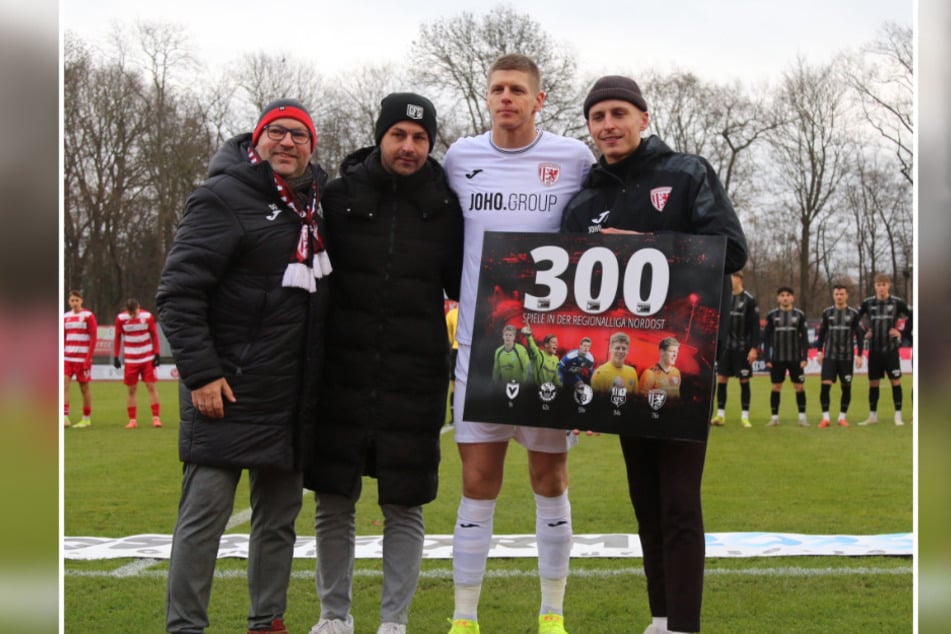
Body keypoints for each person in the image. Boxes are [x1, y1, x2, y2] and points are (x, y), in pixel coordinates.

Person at [561, 75, 747, 634]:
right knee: (644, 499)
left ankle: (684, 625)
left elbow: (732, 249)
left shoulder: (687, 173)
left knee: (679, 501)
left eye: (619, 113)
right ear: (589, 127)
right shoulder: (584, 200)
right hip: (621, 369)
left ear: (643, 118)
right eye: (598, 117)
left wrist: (646, 247)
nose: (609, 125)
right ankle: (662, 618)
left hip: (682, 364)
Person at [156, 98, 329, 634]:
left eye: (298, 136)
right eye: (275, 132)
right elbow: (178, 294)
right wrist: (202, 373)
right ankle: (185, 626)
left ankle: (266, 621)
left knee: (278, 522)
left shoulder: (317, 205)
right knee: (203, 519)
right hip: (224, 390)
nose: (286, 143)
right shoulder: (221, 196)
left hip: (288, 394)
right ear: (256, 141)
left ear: (311, 147)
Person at [442, 53, 596, 634]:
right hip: (481, 348)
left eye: (516, 90)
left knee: (548, 480)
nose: (505, 98)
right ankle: (464, 619)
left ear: (539, 99)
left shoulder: (572, 158)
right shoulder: (461, 158)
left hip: (547, 347)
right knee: (478, 481)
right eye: (497, 89)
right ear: (487, 97)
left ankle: (551, 613)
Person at [303, 92, 463, 634]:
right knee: (333, 499)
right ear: (380, 135)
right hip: (340, 376)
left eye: (421, 138)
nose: (410, 147)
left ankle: (394, 622)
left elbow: (469, 286)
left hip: (414, 378)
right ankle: (334, 616)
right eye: (400, 134)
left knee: (405, 503)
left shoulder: (446, 206)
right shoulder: (337, 195)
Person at [856, 273, 913, 426]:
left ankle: (898, 416)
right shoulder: (868, 303)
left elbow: (912, 315)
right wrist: (864, 332)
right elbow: (855, 319)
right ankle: (872, 416)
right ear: (875, 286)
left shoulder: (897, 302)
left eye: (884, 284)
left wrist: (902, 332)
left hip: (891, 349)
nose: (881, 287)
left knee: (895, 381)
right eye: (878, 284)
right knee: (873, 383)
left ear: (888, 286)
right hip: (874, 350)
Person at [709, 271, 759, 427]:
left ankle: (745, 416)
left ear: (739, 279)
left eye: (732, 278)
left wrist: (754, 348)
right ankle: (720, 415)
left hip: (743, 349)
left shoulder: (749, 300)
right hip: (726, 348)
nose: (730, 281)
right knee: (722, 379)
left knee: (744, 380)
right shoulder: (724, 298)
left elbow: (755, 327)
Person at [815, 284, 865, 428]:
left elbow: (859, 336)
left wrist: (860, 355)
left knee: (846, 387)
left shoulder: (854, 314)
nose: (839, 296)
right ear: (833, 295)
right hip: (830, 356)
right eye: (837, 294)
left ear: (846, 295)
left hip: (847, 357)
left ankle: (842, 417)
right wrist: (819, 351)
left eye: (842, 294)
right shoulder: (827, 313)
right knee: (825, 385)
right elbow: (822, 333)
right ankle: (825, 418)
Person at [762, 286, 809, 427]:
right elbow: (766, 338)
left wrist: (804, 357)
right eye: (782, 295)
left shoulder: (799, 315)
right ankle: (774, 418)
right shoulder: (771, 315)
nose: (785, 298)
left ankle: (802, 418)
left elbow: (805, 338)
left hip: (795, 358)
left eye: (788, 295)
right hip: (777, 358)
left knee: (799, 386)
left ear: (792, 298)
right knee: (776, 387)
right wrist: (767, 358)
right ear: (778, 298)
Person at [113, 298, 163, 429]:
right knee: (131, 390)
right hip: (131, 360)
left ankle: (156, 418)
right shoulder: (121, 318)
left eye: (134, 312)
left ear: (138, 307)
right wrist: (116, 356)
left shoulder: (147, 317)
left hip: (147, 358)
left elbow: (154, 335)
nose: (133, 315)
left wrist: (157, 353)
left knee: (151, 387)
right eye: (130, 313)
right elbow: (118, 337)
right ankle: (132, 420)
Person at [63, 289, 97, 428]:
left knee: (84, 389)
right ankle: (64, 417)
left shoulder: (88, 316)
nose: (74, 303)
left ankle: (86, 418)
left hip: (82, 359)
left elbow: (94, 337)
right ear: (68, 302)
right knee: (63, 385)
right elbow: (64, 337)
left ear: (81, 301)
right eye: (72, 300)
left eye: (77, 300)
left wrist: (88, 359)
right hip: (67, 358)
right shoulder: (65, 317)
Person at [522, 323, 562, 387]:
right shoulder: (538, 354)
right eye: (553, 342)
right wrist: (529, 335)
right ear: (546, 345)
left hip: (546, 393)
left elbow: (555, 378)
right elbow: (532, 346)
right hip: (533, 390)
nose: (556, 344)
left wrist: (561, 388)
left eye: (557, 343)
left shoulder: (556, 359)